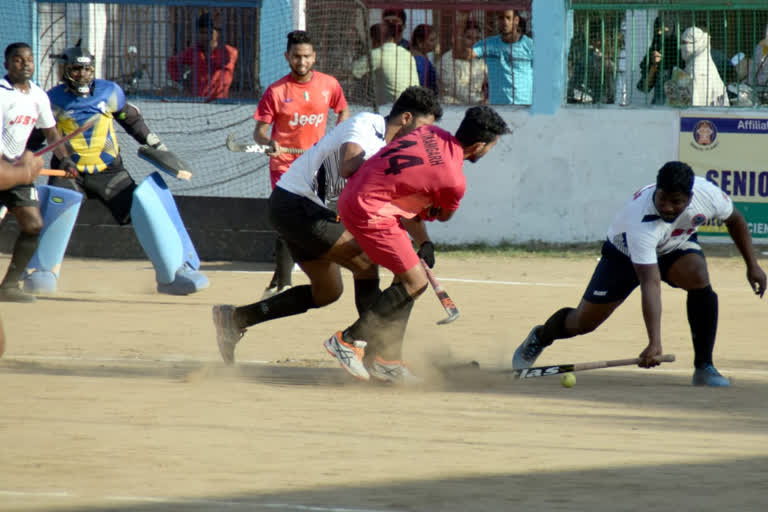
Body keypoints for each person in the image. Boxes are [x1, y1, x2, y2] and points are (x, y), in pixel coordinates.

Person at [212, 87, 443, 377]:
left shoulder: (393, 152)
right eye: (423, 128)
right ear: (406, 117)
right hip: (298, 206)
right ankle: (376, 354)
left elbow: (395, 203)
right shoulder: (367, 125)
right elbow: (348, 166)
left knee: (327, 292)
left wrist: (425, 242)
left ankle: (235, 318)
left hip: (310, 212)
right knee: (365, 264)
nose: (423, 137)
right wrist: (385, 166)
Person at [512, 162, 766, 387]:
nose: (667, 207)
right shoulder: (640, 220)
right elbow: (650, 282)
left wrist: (752, 265)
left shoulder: (708, 195)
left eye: (676, 202)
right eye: (663, 199)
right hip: (623, 257)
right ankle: (540, 336)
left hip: (673, 248)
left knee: (698, 276)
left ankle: (704, 367)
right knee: (582, 323)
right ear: (657, 190)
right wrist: (654, 342)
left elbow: (735, 220)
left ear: (690, 198)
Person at [323, 106, 510, 382]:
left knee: (408, 277)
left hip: (356, 197)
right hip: (370, 211)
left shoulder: (428, 132)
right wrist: (428, 214)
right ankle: (348, 341)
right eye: (490, 147)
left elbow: (404, 189)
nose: (488, 151)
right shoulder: (454, 181)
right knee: (416, 282)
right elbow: (442, 215)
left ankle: (388, 361)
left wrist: (424, 242)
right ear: (480, 145)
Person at [32, 45, 208, 295]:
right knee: (54, 213)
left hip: (110, 172)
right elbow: (39, 136)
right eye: (76, 69)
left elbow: (132, 122)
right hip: (68, 172)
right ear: (65, 70)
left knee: (143, 210)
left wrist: (158, 146)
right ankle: (41, 273)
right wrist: (18, 159)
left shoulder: (109, 92)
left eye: (86, 69)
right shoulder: (51, 99)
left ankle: (174, 272)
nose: (82, 74)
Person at [254, 30, 350, 299]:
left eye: (307, 56)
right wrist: (269, 142)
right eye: (296, 56)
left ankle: (285, 277)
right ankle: (283, 281)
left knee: (326, 212)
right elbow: (259, 131)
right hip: (284, 164)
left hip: (318, 161)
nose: (302, 61)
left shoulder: (329, 84)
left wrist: (338, 134)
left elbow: (343, 110)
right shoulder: (276, 91)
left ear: (314, 56)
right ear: (287, 57)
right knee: (290, 215)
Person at [0, 42, 76, 302]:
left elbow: (52, 132)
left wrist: (65, 160)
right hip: (2, 167)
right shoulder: (1, 94)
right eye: (18, 59)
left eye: (29, 59)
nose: (25, 64)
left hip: (18, 169)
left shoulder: (39, 96)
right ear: (7, 64)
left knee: (33, 225)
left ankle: (9, 286)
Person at [167, 12, 238, 100]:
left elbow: (221, 64)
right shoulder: (194, 51)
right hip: (197, 101)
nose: (205, 36)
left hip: (219, 102)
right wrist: (181, 81)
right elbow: (172, 62)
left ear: (217, 34)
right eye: (201, 32)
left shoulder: (228, 51)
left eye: (209, 32)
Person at [472, 9, 533, 105]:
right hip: (498, 107)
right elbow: (465, 54)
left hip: (525, 106)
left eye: (508, 18)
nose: (505, 22)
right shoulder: (488, 44)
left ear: (516, 20)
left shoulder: (530, 45)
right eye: (501, 18)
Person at [352, 21, 420, 105]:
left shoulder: (377, 54)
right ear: (392, 38)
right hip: (414, 104)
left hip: (391, 107)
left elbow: (351, 73)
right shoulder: (406, 53)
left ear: (373, 40)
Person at [675, 26, 729, 106]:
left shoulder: (696, 68)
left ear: (696, 44)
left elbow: (694, 101)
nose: (681, 47)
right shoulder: (706, 64)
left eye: (684, 43)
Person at [439, 20, 487, 104]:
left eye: (477, 38)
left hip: (477, 105)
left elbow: (489, 80)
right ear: (460, 38)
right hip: (452, 107)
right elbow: (454, 88)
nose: (474, 42)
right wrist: (478, 101)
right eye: (469, 37)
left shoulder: (480, 59)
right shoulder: (447, 59)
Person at [636, 14, 680, 105]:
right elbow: (644, 88)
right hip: (659, 107)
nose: (660, 33)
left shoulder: (682, 53)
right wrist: (654, 66)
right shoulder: (654, 50)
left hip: (680, 106)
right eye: (658, 29)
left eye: (664, 29)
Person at [410, 24, 438, 94]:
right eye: (431, 40)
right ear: (419, 41)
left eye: (435, 40)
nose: (435, 43)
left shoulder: (412, 56)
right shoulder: (420, 62)